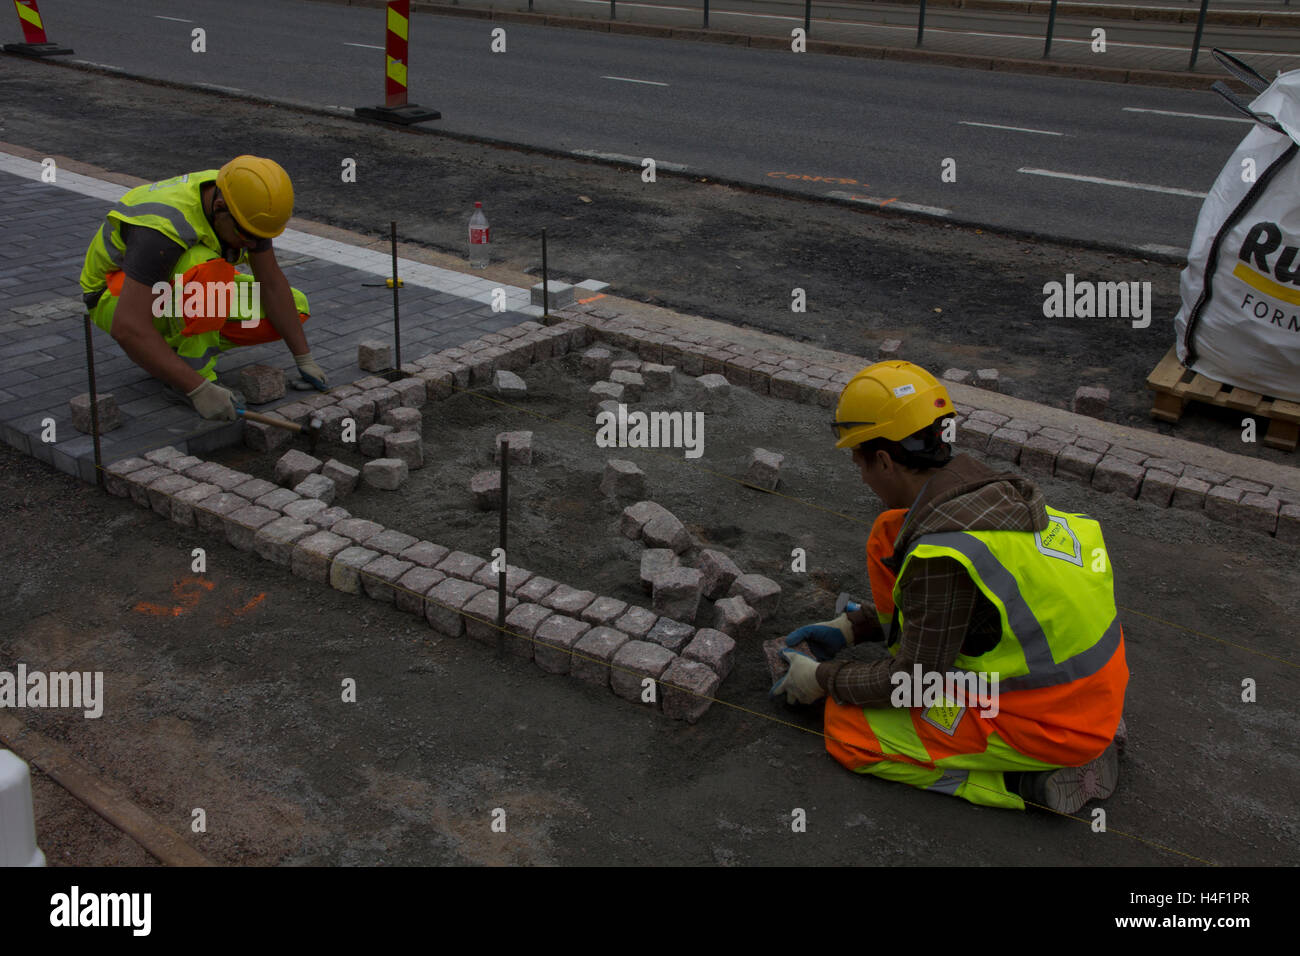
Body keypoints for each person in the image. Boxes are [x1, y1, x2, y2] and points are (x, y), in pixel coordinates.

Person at [772, 361, 1129, 812]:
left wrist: (823, 678)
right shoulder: (979, 489)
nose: (860, 475)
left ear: (883, 460)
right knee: (890, 531)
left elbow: (914, 681)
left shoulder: (942, 554)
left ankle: (1025, 782)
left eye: (858, 461)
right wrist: (855, 627)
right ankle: (1085, 728)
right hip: (1093, 685)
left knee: (849, 729)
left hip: (1047, 717)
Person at [79, 155, 329, 421]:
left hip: (172, 291)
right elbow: (127, 327)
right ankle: (188, 377)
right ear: (220, 207)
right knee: (206, 273)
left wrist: (304, 359)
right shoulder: (162, 227)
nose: (253, 246)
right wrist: (198, 389)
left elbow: (271, 284)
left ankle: (169, 352)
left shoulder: (242, 204)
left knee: (294, 306)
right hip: (114, 297)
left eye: (262, 239)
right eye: (248, 237)